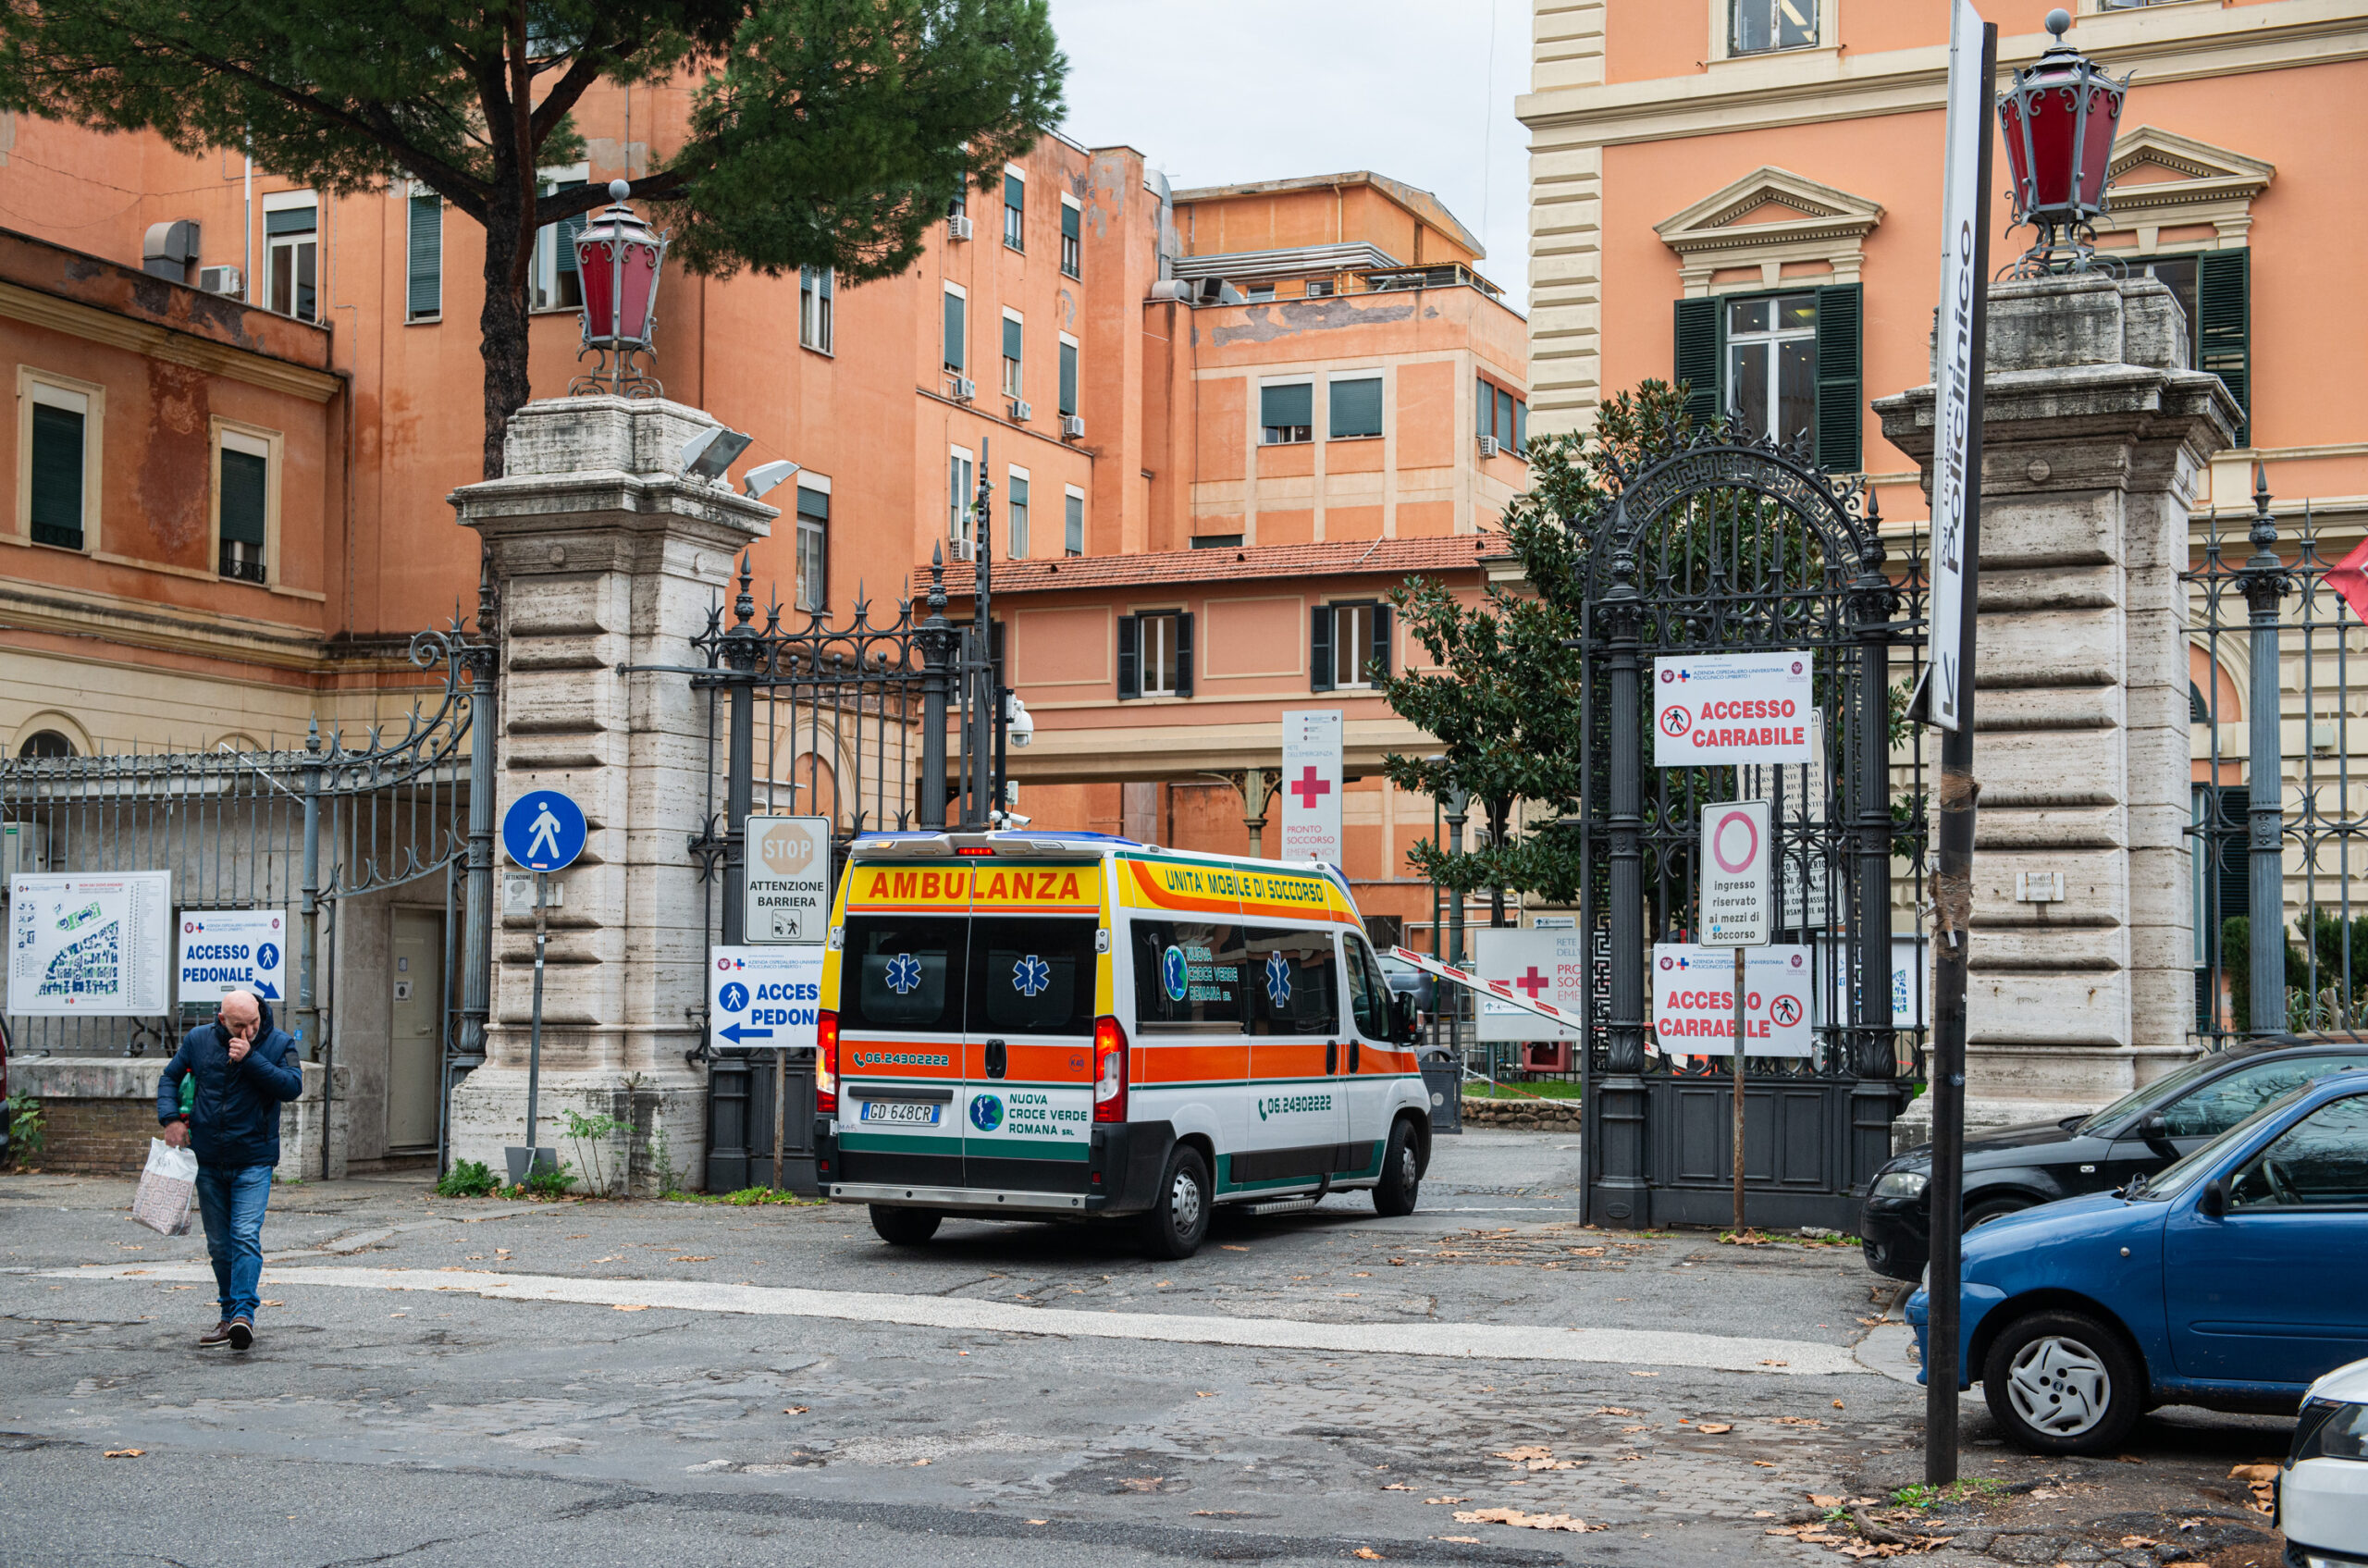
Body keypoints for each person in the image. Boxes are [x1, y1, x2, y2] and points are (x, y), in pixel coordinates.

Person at [157, 989, 304, 1350]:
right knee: (220, 1246)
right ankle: (227, 1316)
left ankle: (243, 1315)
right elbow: (169, 1078)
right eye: (240, 1025)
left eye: (254, 1022)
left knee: (243, 1236)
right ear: (222, 1020)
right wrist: (171, 1118)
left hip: (253, 1159)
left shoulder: (279, 1043)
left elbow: (292, 1087)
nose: (249, 1030)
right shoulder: (199, 1040)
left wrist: (251, 1058)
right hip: (207, 1159)